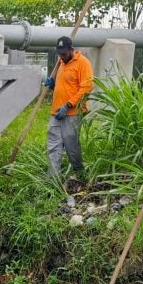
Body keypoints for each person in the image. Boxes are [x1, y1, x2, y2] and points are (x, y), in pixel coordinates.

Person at [44, 36, 94, 179]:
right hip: (56, 112)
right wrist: (53, 85)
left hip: (72, 113)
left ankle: (79, 173)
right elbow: (65, 87)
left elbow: (87, 87)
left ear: (72, 50)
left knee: (71, 146)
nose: (62, 56)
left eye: (64, 54)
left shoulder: (83, 63)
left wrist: (68, 105)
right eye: (60, 54)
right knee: (53, 146)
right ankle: (53, 179)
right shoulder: (60, 63)